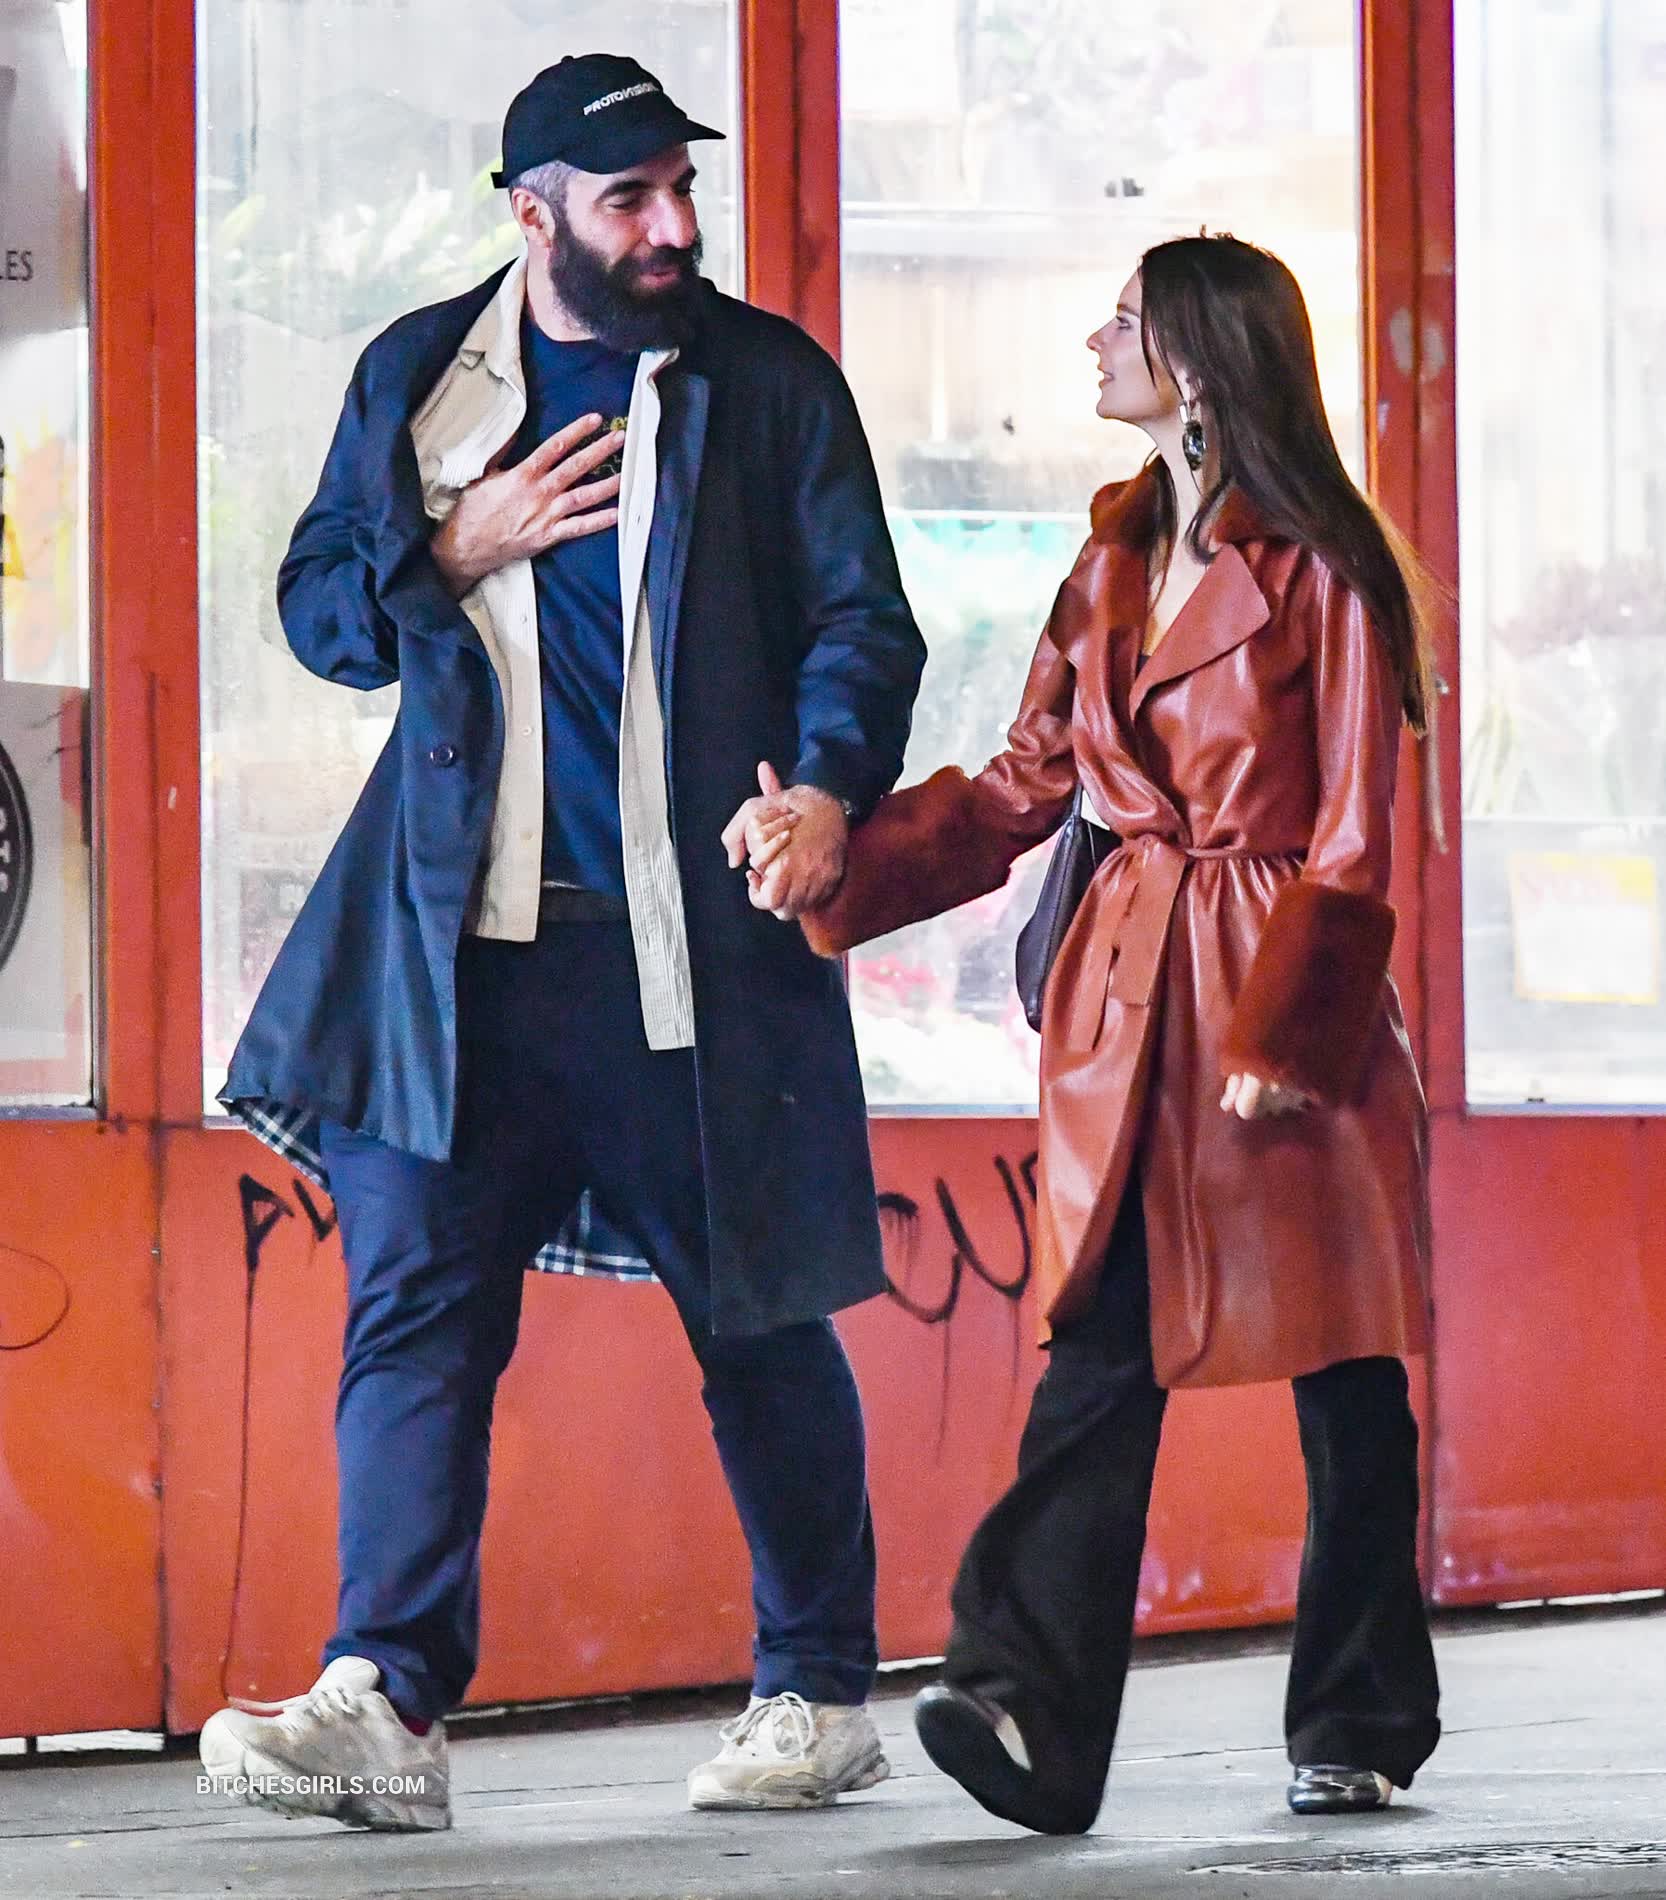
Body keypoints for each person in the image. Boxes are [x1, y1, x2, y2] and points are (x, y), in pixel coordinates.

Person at [201, 53, 926, 1832]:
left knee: (756, 1317)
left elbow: (863, 622)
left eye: (682, 188)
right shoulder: (418, 375)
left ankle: (821, 1690)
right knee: (412, 1312)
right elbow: (319, 613)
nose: (671, 224)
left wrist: (828, 787)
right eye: (629, 198)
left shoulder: (767, 381)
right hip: (454, 954)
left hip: (688, 950)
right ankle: (385, 1701)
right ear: (534, 216)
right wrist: (450, 547)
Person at [747, 233, 1441, 1834]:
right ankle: (1022, 1709)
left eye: (1123, 321)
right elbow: (1018, 787)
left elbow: (1352, 837)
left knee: (1341, 1367)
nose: (1093, 342)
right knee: (1104, 1339)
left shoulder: (1323, 571)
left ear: (1195, 361)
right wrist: (838, 856)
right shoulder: (1109, 562)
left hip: (1279, 1008)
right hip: (1128, 1009)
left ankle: (1357, 1716)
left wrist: (1290, 1039)